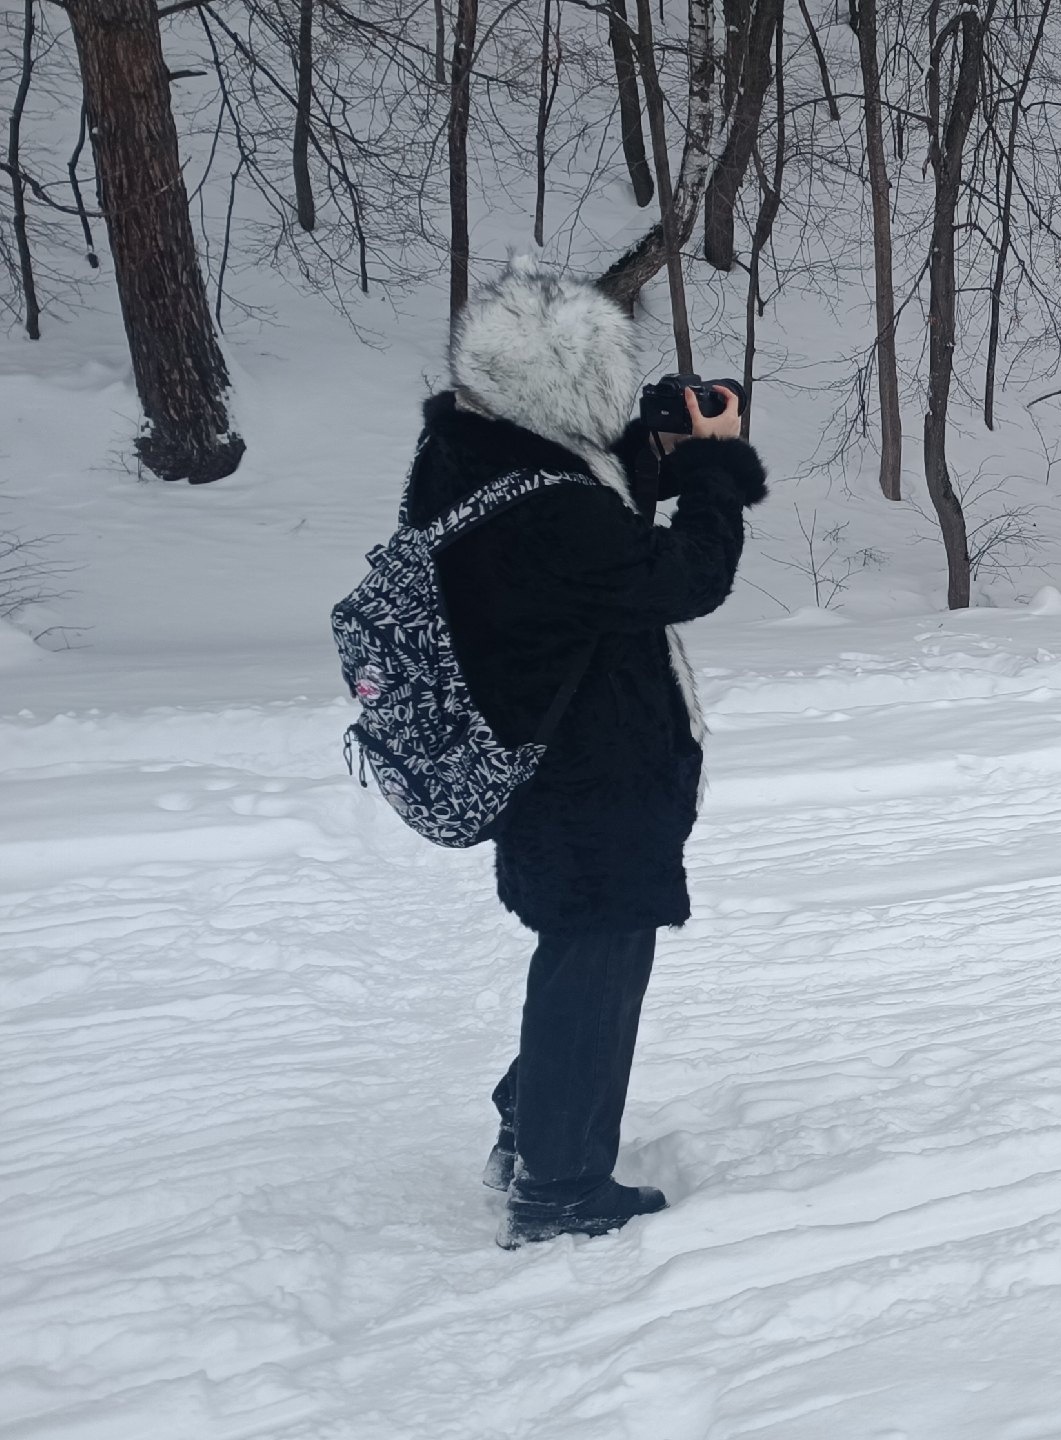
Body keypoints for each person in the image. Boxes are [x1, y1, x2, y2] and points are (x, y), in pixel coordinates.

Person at [397, 259, 767, 1247]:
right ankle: (558, 1186)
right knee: (598, 960)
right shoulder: (546, 509)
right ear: (570, 392)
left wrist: (657, 427)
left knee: (577, 952)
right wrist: (712, 471)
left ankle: (531, 1129)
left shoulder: (469, 451)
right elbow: (682, 577)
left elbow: (582, 492)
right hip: (587, 770)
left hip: (545, 756)